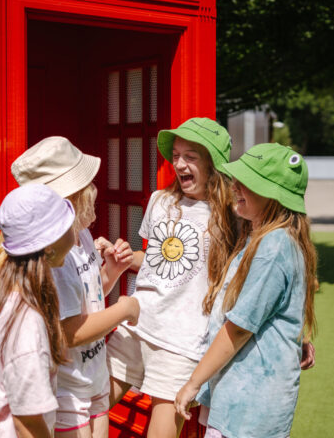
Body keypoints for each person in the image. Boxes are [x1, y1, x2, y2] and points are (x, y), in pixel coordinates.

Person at [104, 117, 241, 437]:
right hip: (136, 325)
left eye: (190, 157)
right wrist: (124, 257)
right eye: (176, 155)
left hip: (182, 341)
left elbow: (248, 277)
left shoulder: (232, 216)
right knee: (89, 409)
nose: (179, 164)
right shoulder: (160, 200)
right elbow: (154, 259)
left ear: (213, 164)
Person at [174, 143, 317, 438]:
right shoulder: (267, 238)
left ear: (273, 196)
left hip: (247, 406)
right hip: (243, 400)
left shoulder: (273, 245)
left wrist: (193, 382)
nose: (235, 186)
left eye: (248, 182)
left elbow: (240, 327)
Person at [11, 136, 140, 438]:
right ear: (72, 199)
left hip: (94, 374)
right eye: (87, 186)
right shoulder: (56, 255)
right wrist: (125, 309)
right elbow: (70, 331)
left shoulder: (81, 236)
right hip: (66, 388)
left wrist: (112, 271)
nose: (95, 189)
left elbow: (88, 296)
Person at [0, 184, 77, 438]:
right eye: (66, 222)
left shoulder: (1, 290)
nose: (73, 224)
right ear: (49, 246)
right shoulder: (27, 323)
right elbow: (27, 422)